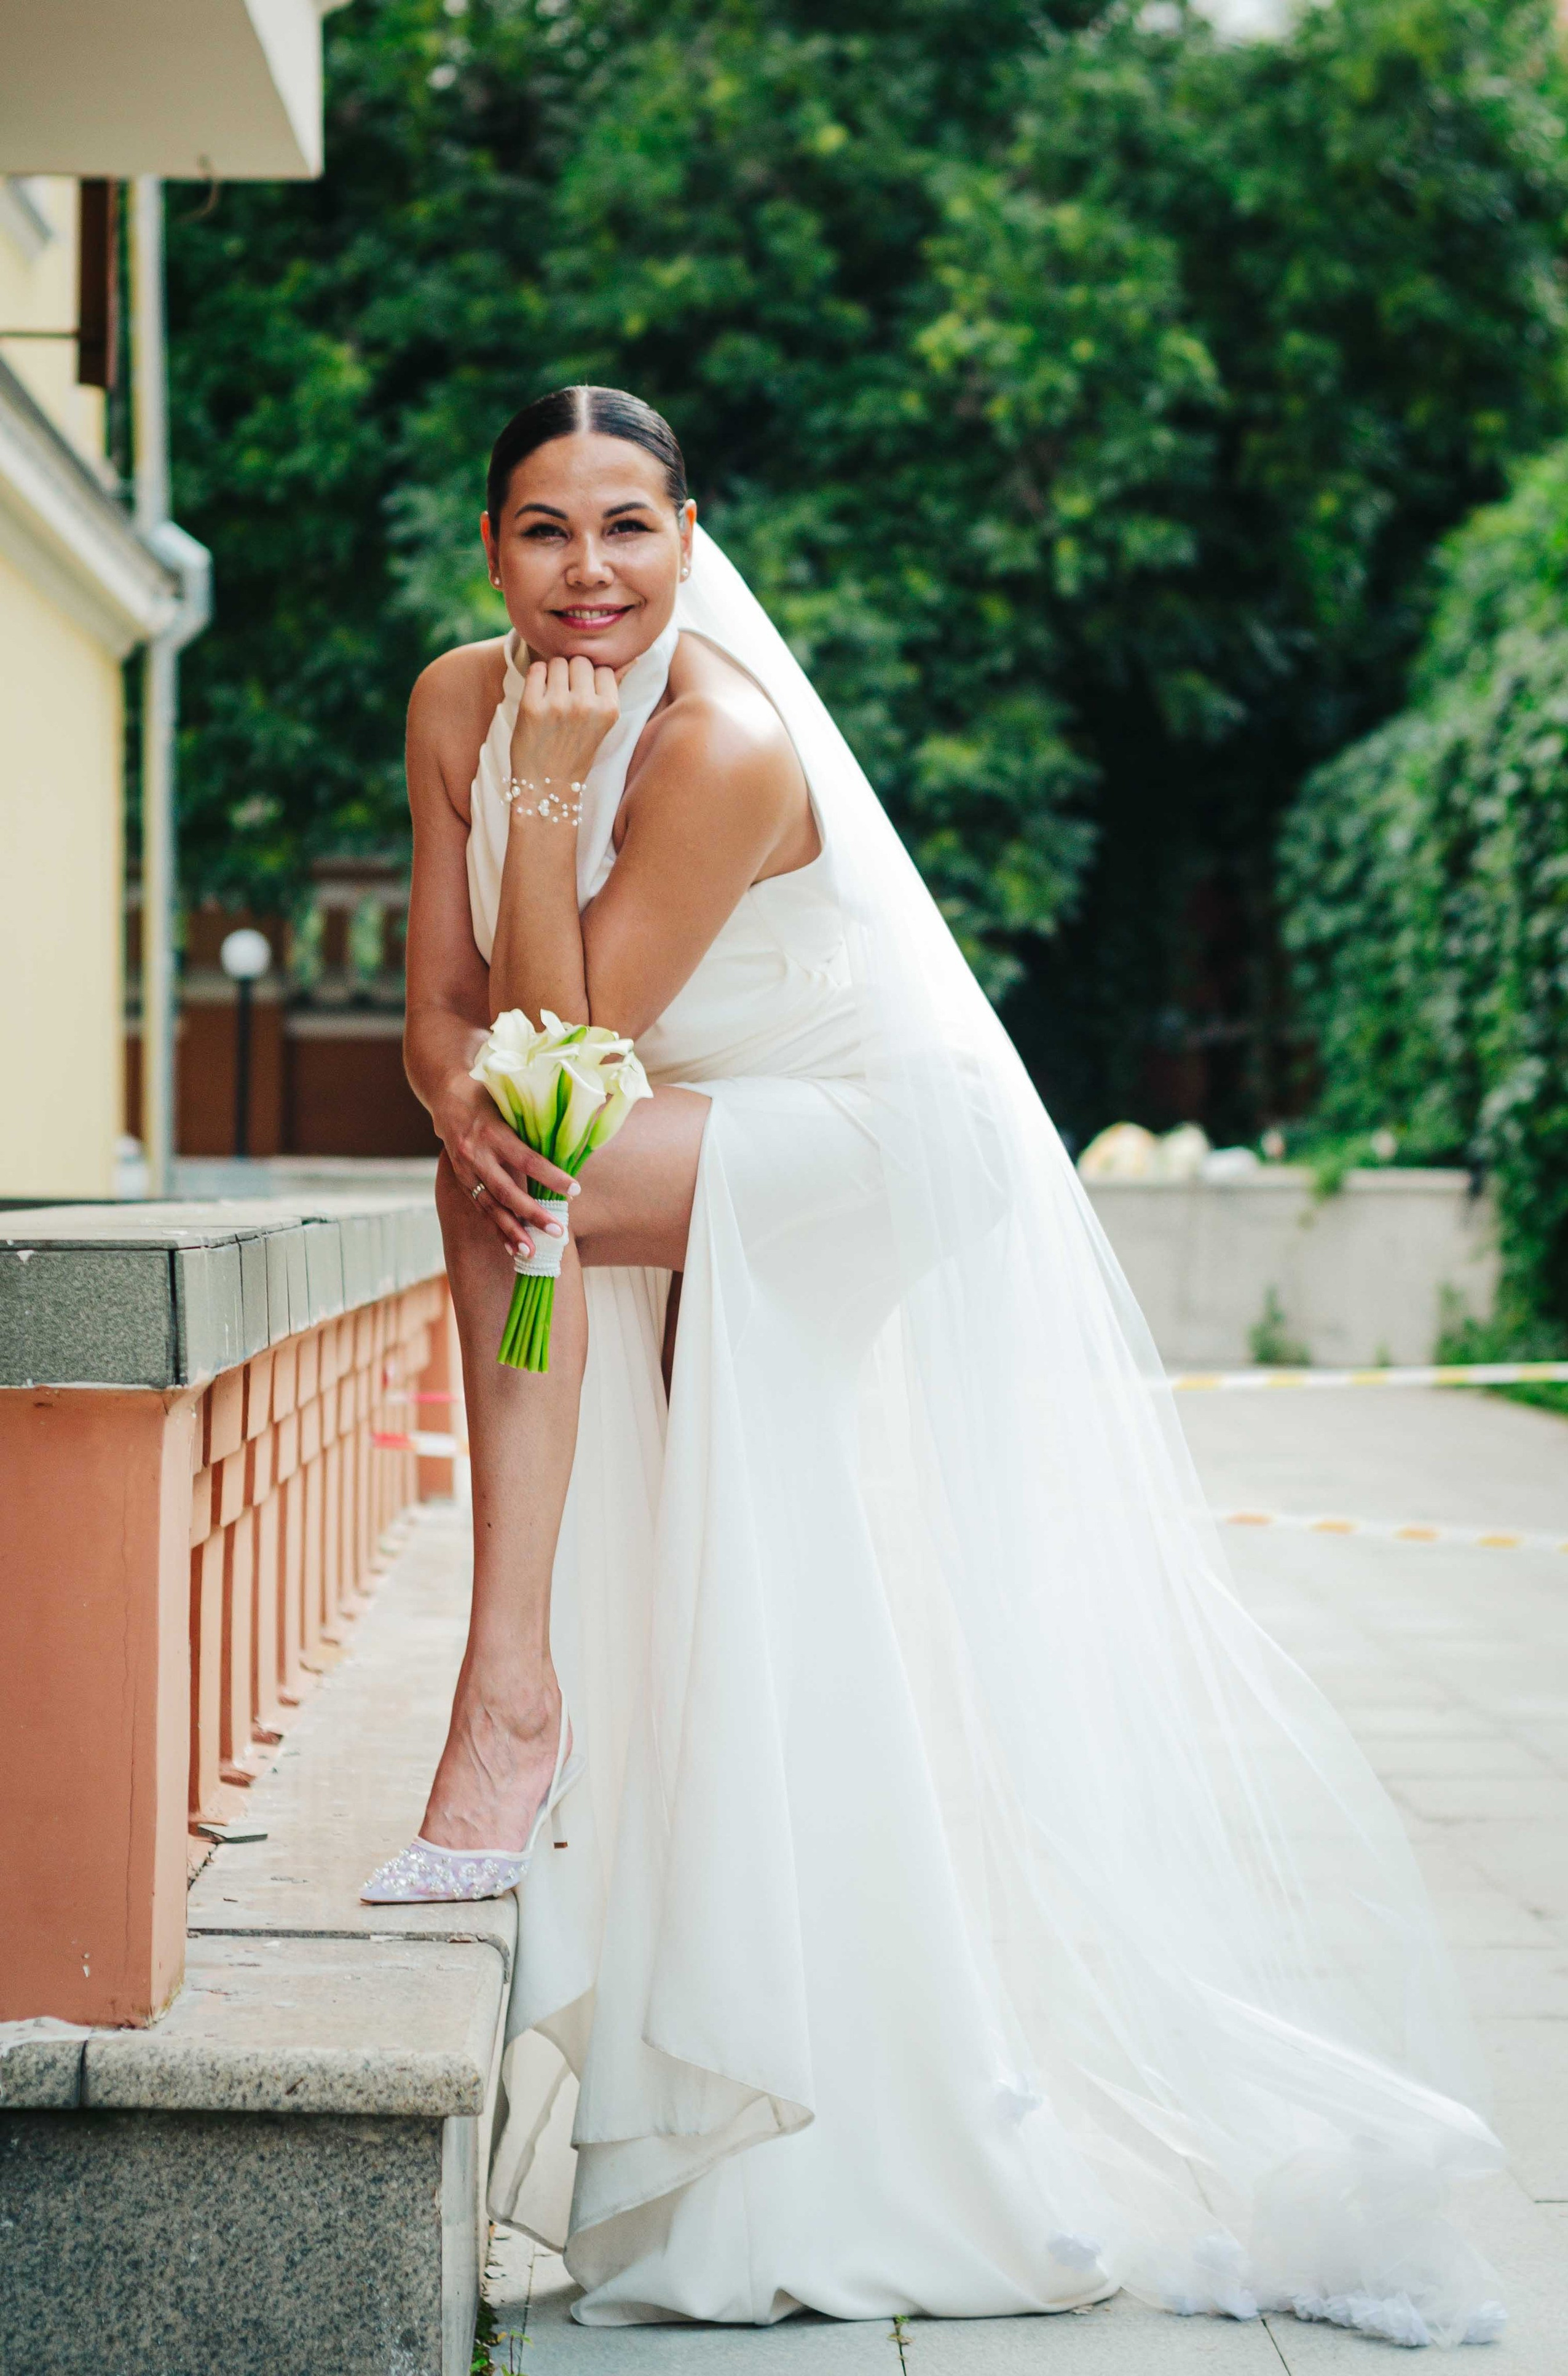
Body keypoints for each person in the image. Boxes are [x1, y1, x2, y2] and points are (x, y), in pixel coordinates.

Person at [365, 384, 1505, 2343]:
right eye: (545, 530)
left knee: (512, 1196)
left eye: (629, 527)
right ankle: (793, 2078)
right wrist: (465, 1072)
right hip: (672, 1113)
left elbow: (563, 1057)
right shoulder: (452, 700)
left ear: (691, 536)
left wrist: (544, 809)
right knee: (612, 1349)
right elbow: (443, 1021)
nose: (587, 574)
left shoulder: (721, 742)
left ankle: (510, 1694)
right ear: (490, 550)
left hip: (874, 1133)